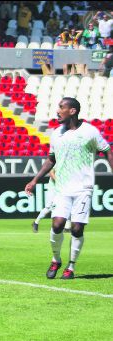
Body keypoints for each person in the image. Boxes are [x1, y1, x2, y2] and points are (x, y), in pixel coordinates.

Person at [25, 97, 113, 279]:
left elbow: (107, 150)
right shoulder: (56, 134)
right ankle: (56, 259)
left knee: (76, 229)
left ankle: (71, 266)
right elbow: (51, 159)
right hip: (62, 188)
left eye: (61, 107)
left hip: (83, 188)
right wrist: (34, 180)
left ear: (72, 111)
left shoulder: (90, 132)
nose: (57, 111)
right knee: (57, 225)